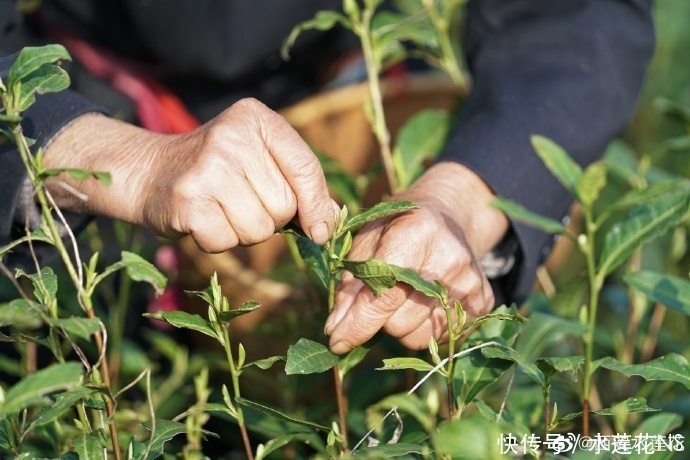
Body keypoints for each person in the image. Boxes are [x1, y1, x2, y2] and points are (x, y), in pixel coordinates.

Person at [0, 0, 654, 354]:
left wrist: (467, 190)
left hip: (350, 84)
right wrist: (99, 152)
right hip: (81, 109)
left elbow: (577, 16)